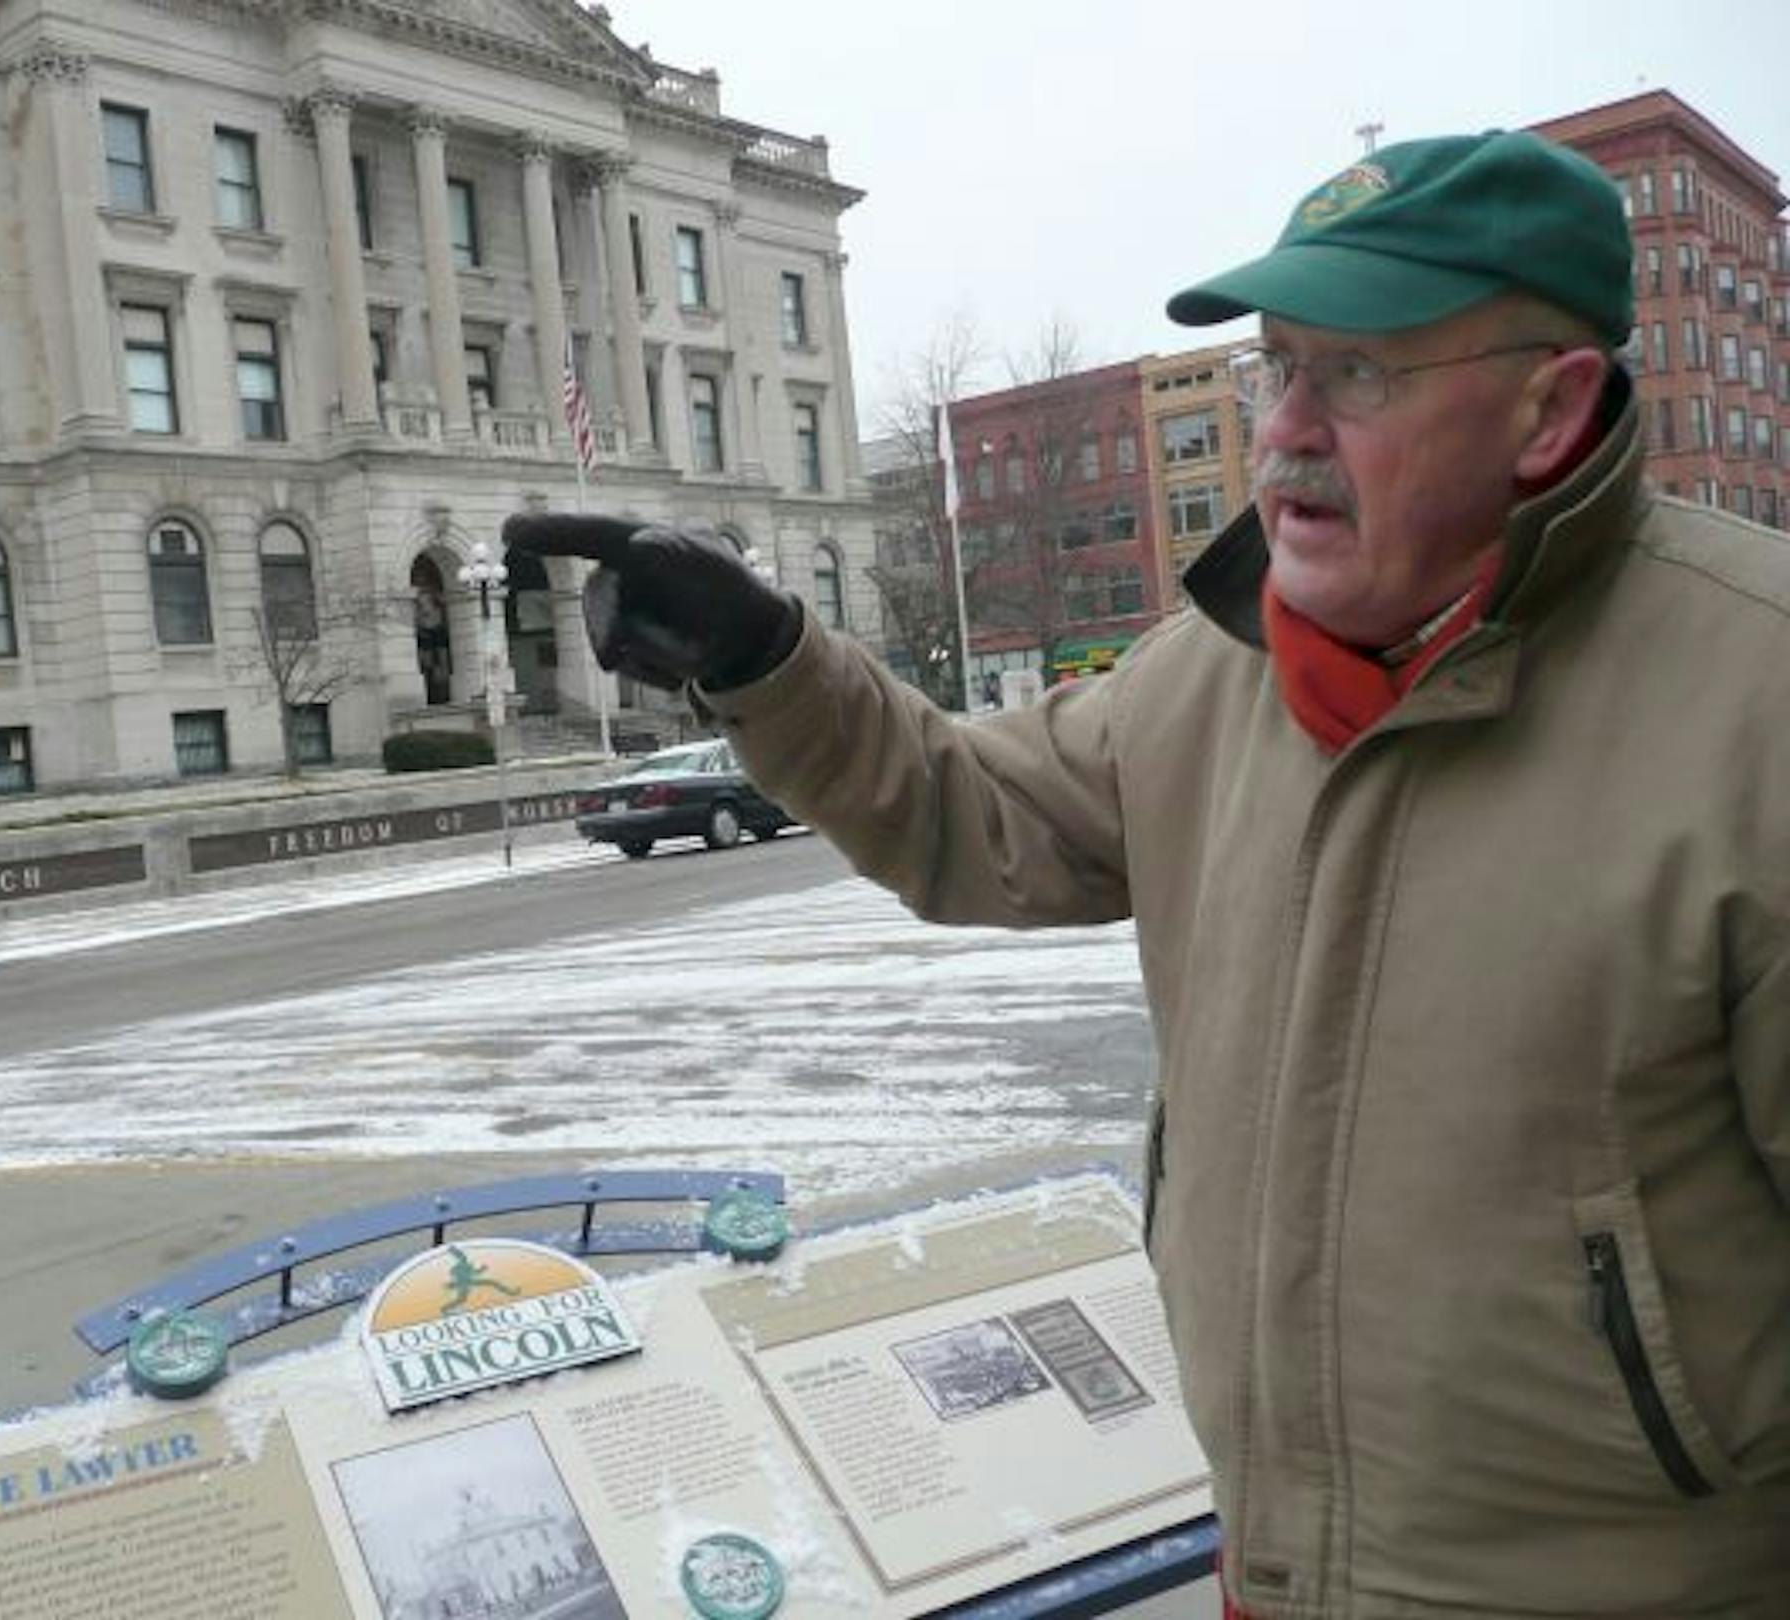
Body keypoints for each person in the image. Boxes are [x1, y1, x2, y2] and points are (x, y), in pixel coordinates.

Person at [509, 129, 1790, 1616]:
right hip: (1279, 1570)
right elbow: (961, 812)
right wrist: (764, 658)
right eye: (1277, 367)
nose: (1284, 432)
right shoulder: (1209, 675)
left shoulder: (1753, 704)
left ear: (1548, 410)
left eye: (1358, 375)